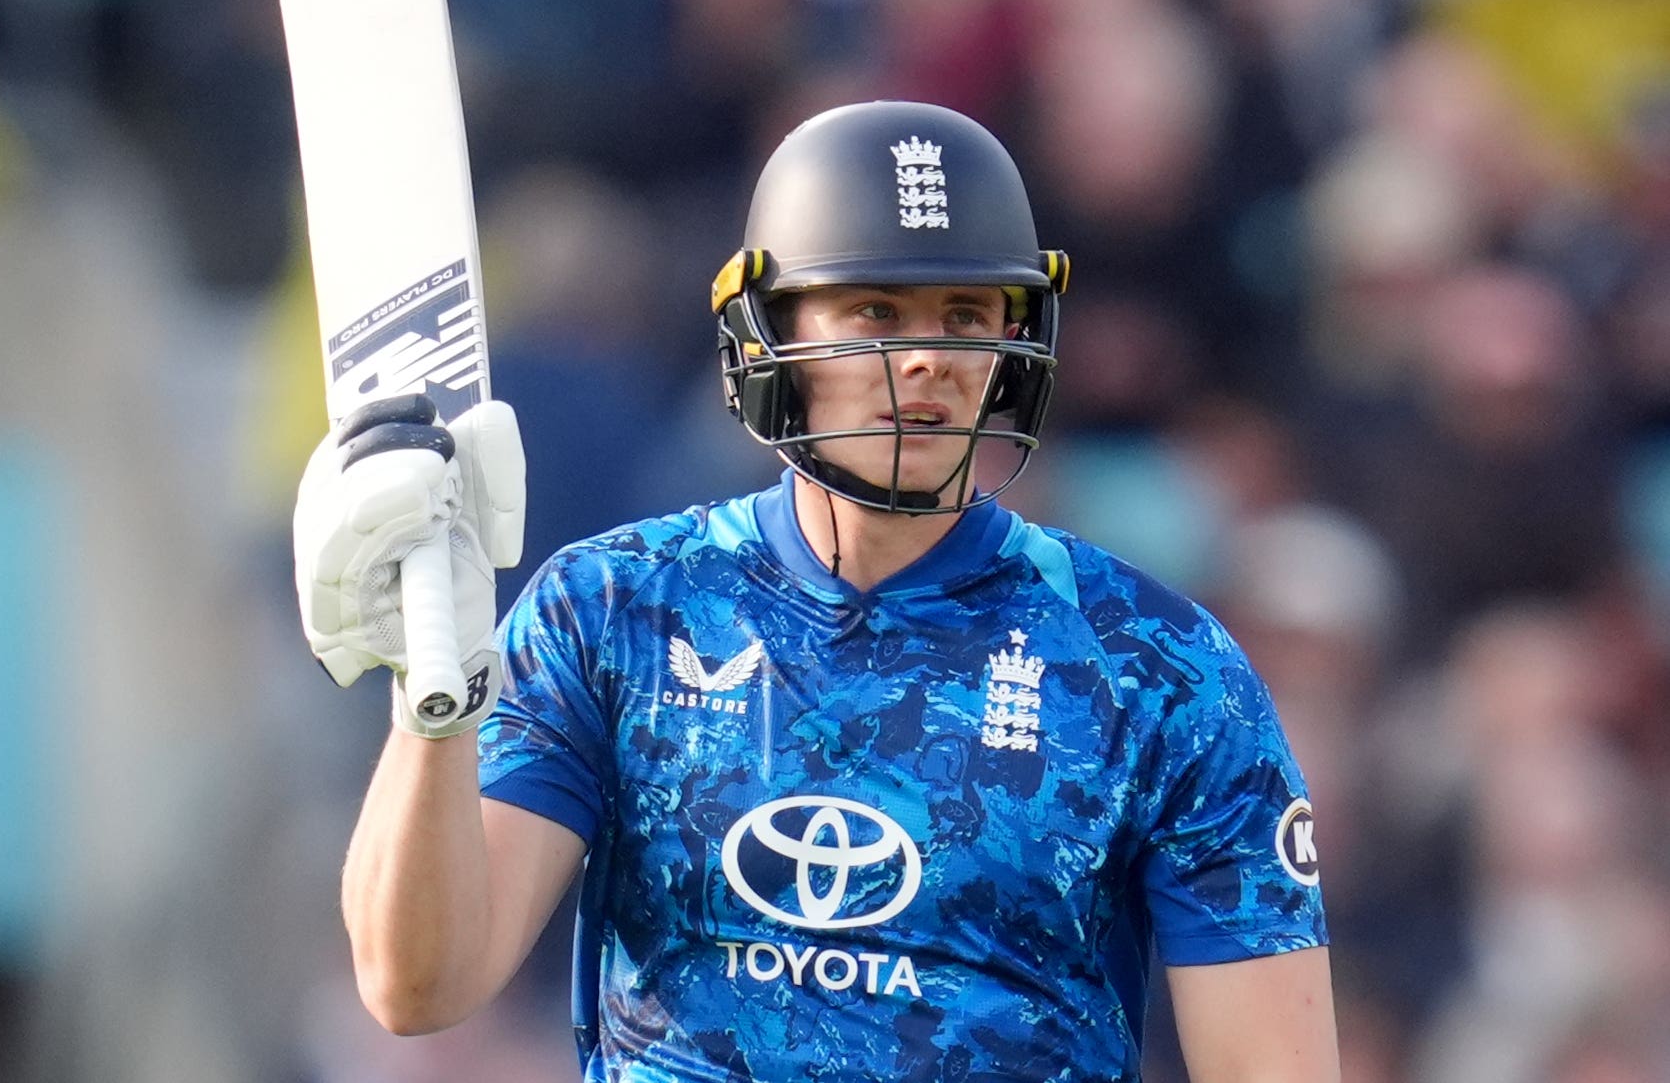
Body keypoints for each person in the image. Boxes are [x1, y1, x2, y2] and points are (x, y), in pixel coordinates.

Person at [293, 101, 1341, 1081]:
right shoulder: (613, 608)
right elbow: (418, 985)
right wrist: (430, 691)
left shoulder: (1157, 666)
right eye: (876, 310)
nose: (927, 359)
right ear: (770, 339)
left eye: (967, 313)